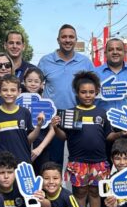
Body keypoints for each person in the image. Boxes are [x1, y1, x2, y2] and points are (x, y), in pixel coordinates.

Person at [53, 71, 127, 207]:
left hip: (99, 161)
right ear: (77, 93)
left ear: (96, 93)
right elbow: (63, 137)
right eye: (83, 92)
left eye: (91, 92)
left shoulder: (101, 113)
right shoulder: (70, 113)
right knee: (79, 193)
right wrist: (55, 127)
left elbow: (108, 136)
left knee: (95, 193)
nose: (87, 95)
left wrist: (121, 134)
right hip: (77, 161)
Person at [38, 24, 95, 165]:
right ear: (58, 39)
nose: (67, 40)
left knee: (78, 159)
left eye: (71, 37)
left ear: (76, 40)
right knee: (53, 160)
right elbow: (35, 86)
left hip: (77, 114)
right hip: (53, 116)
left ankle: (76, 186)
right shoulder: (45, 61)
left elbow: (95, 88)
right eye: (64, 37)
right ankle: (54, 186)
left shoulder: (85, 62)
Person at [0, 75, 43, 164]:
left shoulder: (25, 112)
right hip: (1, 164)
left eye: (13, 90)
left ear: (19, 92)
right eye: (5, 90)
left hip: (23, 162)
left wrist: (39, 126)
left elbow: (28, 140)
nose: (9, 93)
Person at [22, 68, 58, 173]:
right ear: (24, 82)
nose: (33, 84)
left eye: (36, 81)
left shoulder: (47, 103)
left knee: (42, 179)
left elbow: (53, 129)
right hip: (22, 148)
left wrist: (40, 148)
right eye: (29, 81)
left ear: (42, 84)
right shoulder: (18, 101)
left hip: (42, 148)